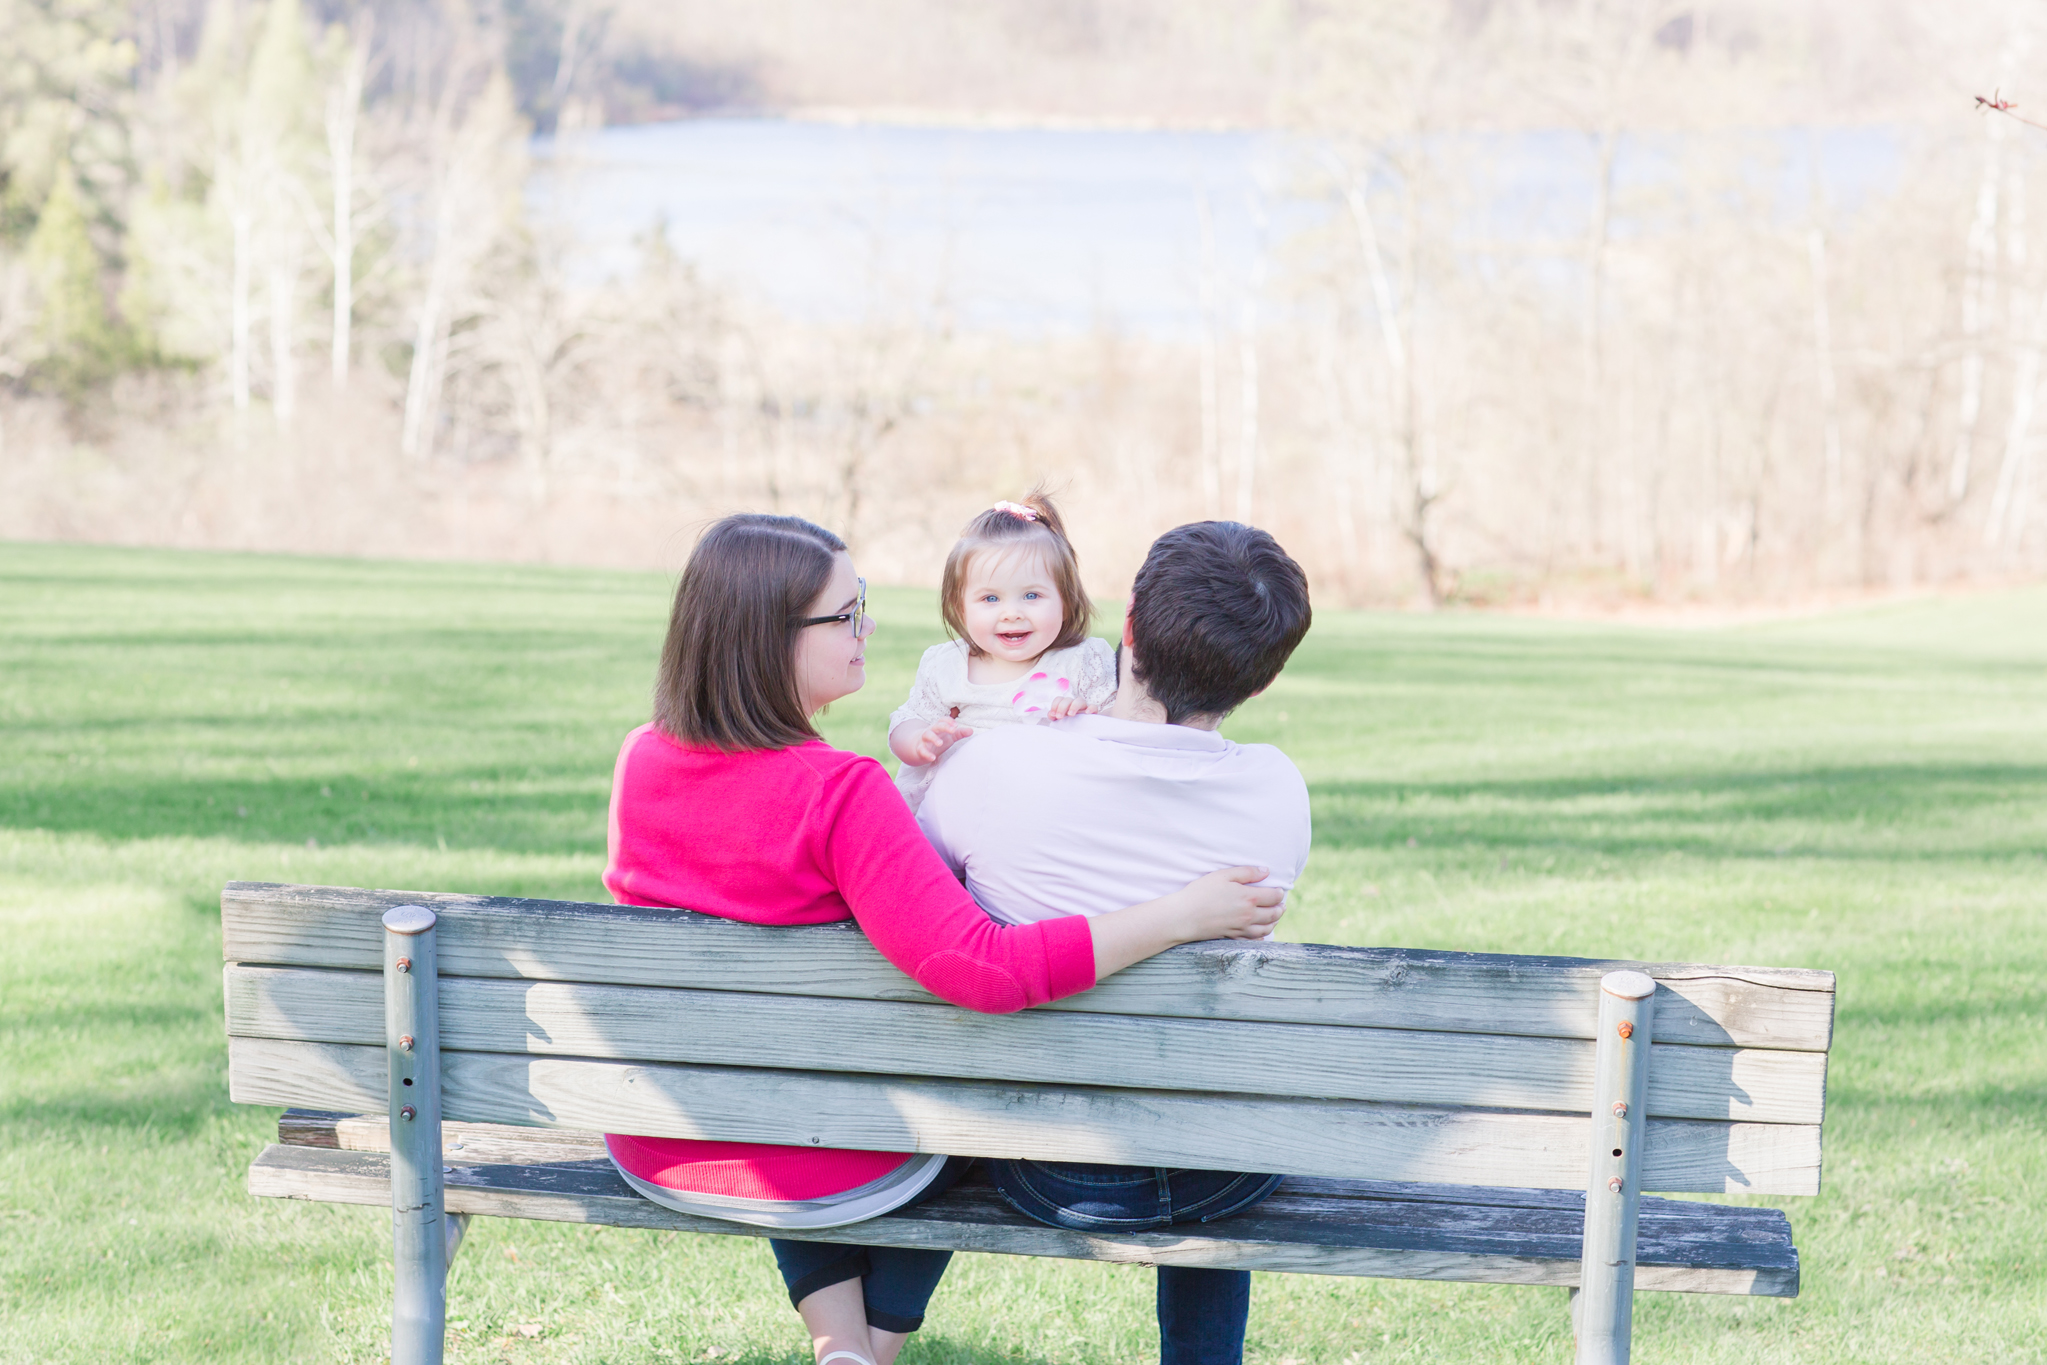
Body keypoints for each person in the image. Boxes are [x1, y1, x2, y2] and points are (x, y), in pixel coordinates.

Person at [601, 512, 1287, 1365]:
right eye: (847, 614)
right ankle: (874, 1343)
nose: (867, 629)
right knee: (965, 1089)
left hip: (659, 1135)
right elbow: (987, 970)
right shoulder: (841, 793)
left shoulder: (639, 756)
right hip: (818, 1158)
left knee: (794, 1074)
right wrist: (1180, 916)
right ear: (768, 637)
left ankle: (841, 1342)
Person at [916, 520, 1315, 1365]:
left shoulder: (988, 768)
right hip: (1226, 1164)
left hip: (1049, 1160)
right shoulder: (1277, 789)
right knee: (1207, 1102)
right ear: (1264, 676)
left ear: (1125, 625)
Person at [887, 490, 1116, 811]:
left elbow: (1124, 725)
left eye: (1032, 596)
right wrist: (920, 742)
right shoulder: (947, 665)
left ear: (1066, 601)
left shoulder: (1082, 660)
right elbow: (907, 720)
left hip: (1046, 807)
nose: (1011, 613)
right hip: (958, 808)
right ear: (961, 608)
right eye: (990, 599)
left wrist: (1087, 718)